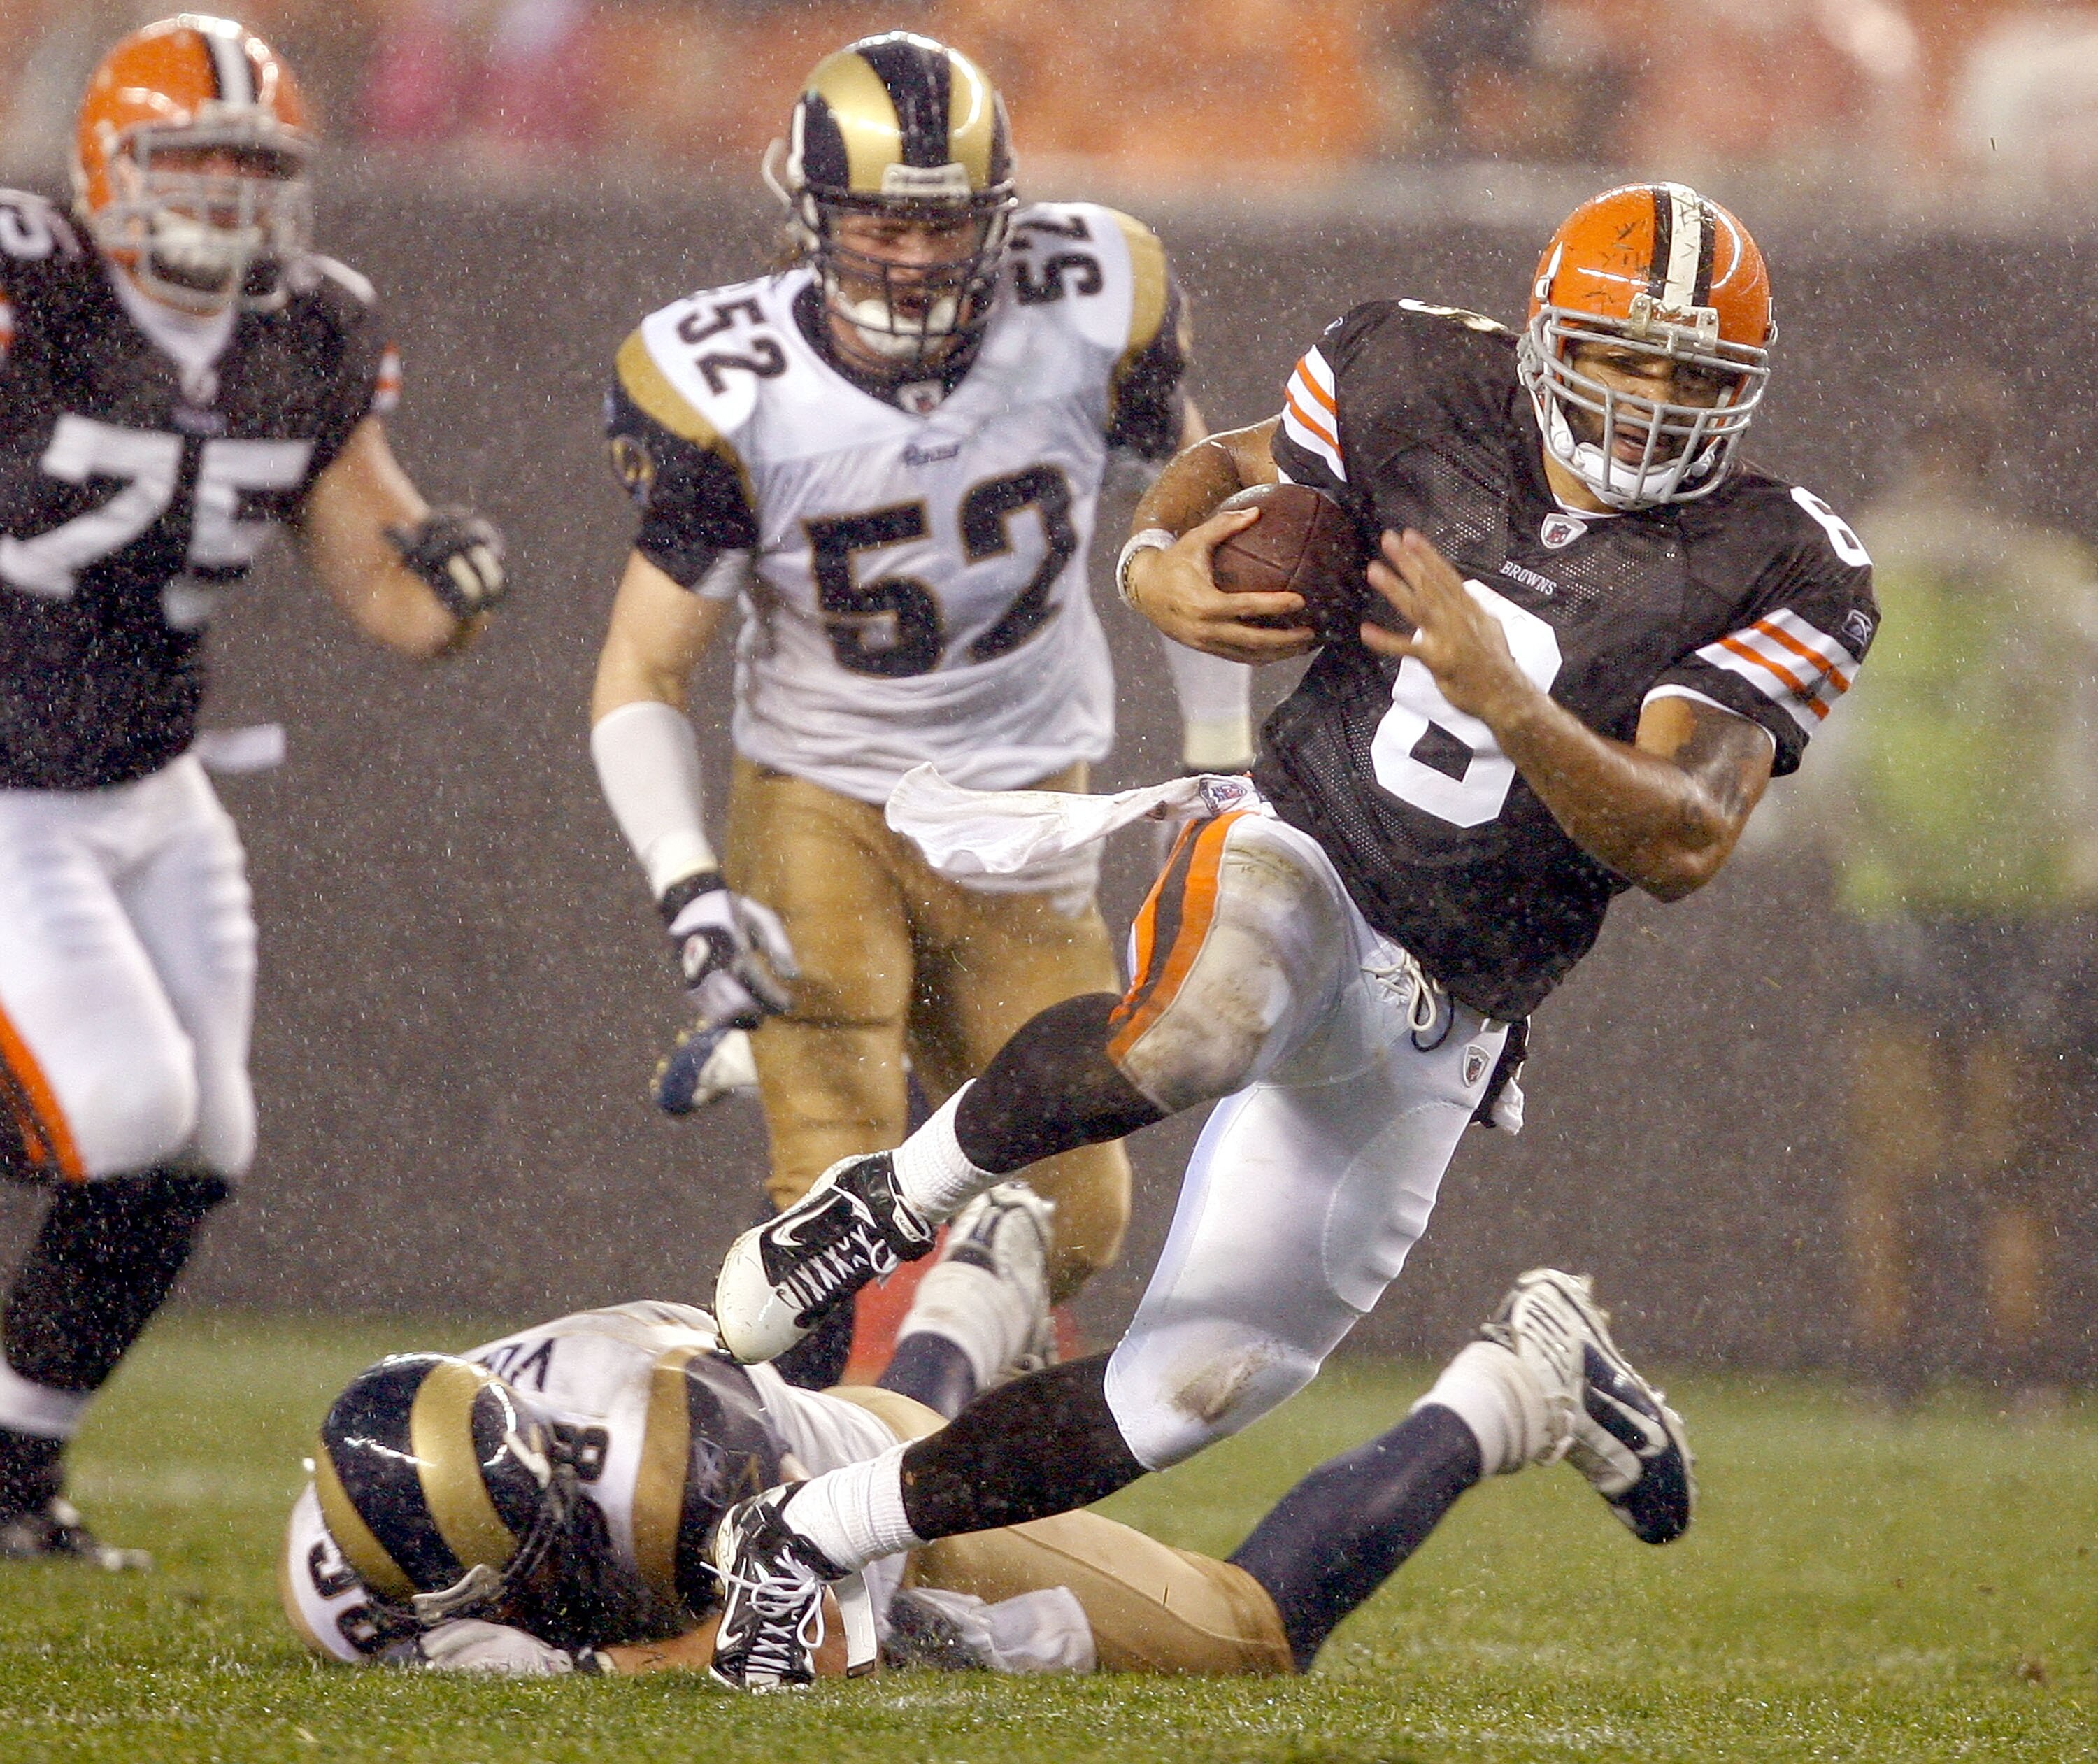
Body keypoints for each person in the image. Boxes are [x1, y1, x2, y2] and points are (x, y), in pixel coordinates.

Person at [699, 180, 1878, 1685]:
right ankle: (889, 1199)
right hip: (1305, 839)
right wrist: (1153, 559)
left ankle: (810, 1531)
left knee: (1189, 1388)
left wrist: (1512, 701)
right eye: (1617, 356)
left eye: (1688, 376)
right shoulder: (1414, 374)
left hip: (1450, 1001)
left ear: (1746, 393)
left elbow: (1686, 836)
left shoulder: (1783, 558)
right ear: (1541, 339)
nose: (1647, 401)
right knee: (1204, 1020)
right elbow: (1226, 465)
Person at [587, 31, 1251, 1385]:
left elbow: (1200, 540)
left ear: (998, 219)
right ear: (809, 216)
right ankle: (820, 1460)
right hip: (823, 795)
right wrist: (690, 888)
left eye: (944, 224)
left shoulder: (1093, 304)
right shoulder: (731, 384)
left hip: (1026, 801)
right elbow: (642, 669)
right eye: (882, 223)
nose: (914, 259)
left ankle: (926, 1397)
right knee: (832, 1215)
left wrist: (1221, 765)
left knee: (1077, 1210)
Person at [0, 15, 507, 1567]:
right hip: (9, 785)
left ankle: (13, 1469)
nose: (223, 193)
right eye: (192, 161)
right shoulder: (35, 284)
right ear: (107, 166)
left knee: (199, 1139)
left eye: (249, 164)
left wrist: (454, 585)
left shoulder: (311, 328)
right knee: (123, 1104)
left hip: (148, 779)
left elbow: (388, 582)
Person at [282, 1233, 1686, 1682]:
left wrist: (603, 1672)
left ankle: (1516, 1381)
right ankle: (973, 1297)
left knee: (1246, 1632)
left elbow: (809, 1627)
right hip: (792, 1438)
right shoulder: (340, 1568)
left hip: (865, 1516)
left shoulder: (663, 1462)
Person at [1801, 377, 2098, 1405]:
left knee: (2014, 1149)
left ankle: (2020, 1369)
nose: (1951, 476)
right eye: (1938, 451)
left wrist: (2077, 842)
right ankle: (1890, 1368)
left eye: (1968, 455)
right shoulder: (1865, 568)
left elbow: (2082, 715)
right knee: (1894, 1149)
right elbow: (1828, 720)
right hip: (1895, 894)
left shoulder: (2051, 581)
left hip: (2021, 897)